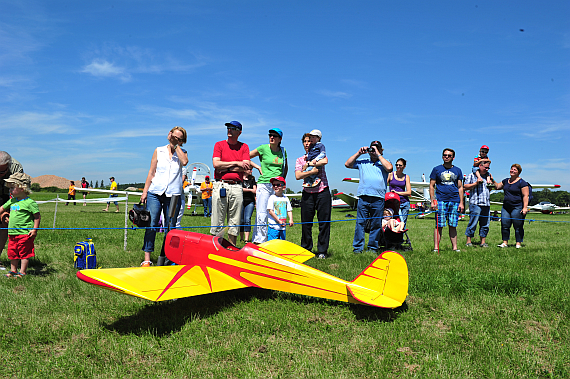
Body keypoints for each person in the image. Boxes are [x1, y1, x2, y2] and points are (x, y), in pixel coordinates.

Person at [141, 126, 188, 266]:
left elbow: (184, 162)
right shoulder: (158, 150)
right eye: (174, 136)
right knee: (151, 224)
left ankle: (169, 258)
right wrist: (145, 191)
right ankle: (147, 259)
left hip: (173, 195)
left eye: (179, 139)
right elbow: (151, 172)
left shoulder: (182, 152)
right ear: (169, 134)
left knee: (171, 226)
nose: (176, 139)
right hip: (155, 192)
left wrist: (176, 145)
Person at [345, 141, 393, 254]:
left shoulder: (384, 162)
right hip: (364, 196)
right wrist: (358, 153)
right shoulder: (363, 162)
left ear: (381, 150)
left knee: (376, 224)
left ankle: (372, 248)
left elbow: (390, 168)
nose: (374, 151)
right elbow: (347, 164)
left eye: (377, 149)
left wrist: (378, 155)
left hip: (378, 197)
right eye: (372, 149)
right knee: (360, 223)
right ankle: (358, 248)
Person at [211, 121, 251, 246]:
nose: (229, 130)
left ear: (239, 132)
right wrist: (237, 163)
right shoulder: (219, 145)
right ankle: (215, 249)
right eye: (228, 128)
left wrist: (226, 167)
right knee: (218, 220)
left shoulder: (244, 147)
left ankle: (232, 250)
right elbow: (216, 164)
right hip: (220, 185)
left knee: (234, 222)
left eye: (233, 128)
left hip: (237, 186)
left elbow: (246, 167)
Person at [295, 133, 332, 259]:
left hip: (323, 192)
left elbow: (325, 161)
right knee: (306, 224)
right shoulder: (300, 159)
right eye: (305, 141)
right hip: (307, 194)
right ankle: (306, 249)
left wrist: (310, 165)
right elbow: (298, 176)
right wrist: (312, 171)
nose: (307, 143)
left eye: (309, 141)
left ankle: (322, 251)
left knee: (324, 223)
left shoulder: (320, 156)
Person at [249, 127, 287, 244]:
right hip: (264, 184)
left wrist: (282, 181)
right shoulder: (263, 148)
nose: (271, 137)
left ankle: (276, 239)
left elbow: (285, 167)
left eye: (274, 136)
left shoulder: (283, 150)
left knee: (278, 212)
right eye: (270, 135)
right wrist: (257, 167)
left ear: (280, 139)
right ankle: (259, 240)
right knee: (262, 212)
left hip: (277, 185)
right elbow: (246, 156)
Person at [0, 173, 40, 277]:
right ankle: (13, 271)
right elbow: (2, 209)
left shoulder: (30, 203)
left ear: (22, 188)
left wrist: (34, 230)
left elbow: (37, 216)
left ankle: (22, 273)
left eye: (12, 188)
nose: (10, 190)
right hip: (12, 233)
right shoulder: (12, 200)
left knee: (24, 254)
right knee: (12, 253)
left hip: (25, 234)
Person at [429, 148, 464, 252]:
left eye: (449, 155)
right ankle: (436, 248)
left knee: (453, 225)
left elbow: (460, 187)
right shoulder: (436, 169)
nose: (446, 157)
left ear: (453, 157)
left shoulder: (458, 170)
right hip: (440, 200)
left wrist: (461, 202)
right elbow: (431, 185)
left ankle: (455, 248)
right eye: (445, 155)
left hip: (454, 200)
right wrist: (432, 200)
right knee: (439, 225)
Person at [492, 164, 529, 249]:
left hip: (517, 207)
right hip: (506, 207)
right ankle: (505, 242)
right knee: (504, 225)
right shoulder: (505, 181)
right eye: (511, 169)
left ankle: (518, 243)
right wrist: (492, 179)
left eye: (515, 170)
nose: (512, 171)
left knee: (518, 225)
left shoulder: (522, 182)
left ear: (519, 172)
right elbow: (497, 186)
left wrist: (525, 208)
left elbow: (525, 196)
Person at [463, 160, 493, 247]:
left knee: (485, 224)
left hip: (486, 203)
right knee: (473, 223)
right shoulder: (471, 176)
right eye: (485, 167)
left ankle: (483, 242)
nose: (487, 169)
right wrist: (476, 183)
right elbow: (465, 187)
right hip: (475, 203)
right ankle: (468, 241)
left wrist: (490, 184)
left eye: (488, 168)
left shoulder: (488, 177)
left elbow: (490, 189)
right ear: (480, 166)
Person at [0, 151, 24, 259]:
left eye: (3, 171)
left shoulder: (16, 167)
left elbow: (18, 192)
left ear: (8, 165)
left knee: (4, 223)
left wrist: (9, 211)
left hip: (7, 195)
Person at [266, 176, 293, 241]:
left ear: (283, 187)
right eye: (274, 185)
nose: (275, 186)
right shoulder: (272, 198)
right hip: (273, 227)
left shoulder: (286, 198)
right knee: (272, 245)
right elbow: (270, 211)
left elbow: (289, 210)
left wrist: (291, 219)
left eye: (278, 185)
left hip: (282, 227)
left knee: (281, 244)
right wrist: (278, 221)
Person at [387, 158, 412, 227]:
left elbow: (409, 192)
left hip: (404, 202)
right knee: (394, 222)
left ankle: (401, 237)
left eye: (400, 165)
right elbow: (383, 185)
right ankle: (394, 237)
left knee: (402, 223)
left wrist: (397, 193)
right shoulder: (390, 175)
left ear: (404, 166)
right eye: (396, 165)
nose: (398, 166)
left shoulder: (406, 177)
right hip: (394, 203)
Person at [240, 168, 257, 243]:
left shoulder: (252, 179)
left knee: (247, 219)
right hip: (240, 201)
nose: (251, 171)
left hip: (250, 201)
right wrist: (250, 190)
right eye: (250, 169)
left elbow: (255, 190)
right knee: (241, 220)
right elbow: (240, 189)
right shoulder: (239, 179)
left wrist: (256, 201)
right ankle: (241, 238)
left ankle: (246, 239)